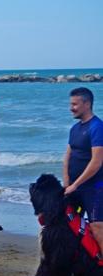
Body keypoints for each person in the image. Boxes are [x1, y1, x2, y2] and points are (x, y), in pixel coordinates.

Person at [63, 87, 103, 255]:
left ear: (87, 104)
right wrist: (67, 183)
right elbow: (68, 156)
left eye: (75, 104)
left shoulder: (97, 127)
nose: (71, 108)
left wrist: (77, 184)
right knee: (69, 224)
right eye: (71, 104)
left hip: (94, 188)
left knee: (96, 226)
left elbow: (97, 161)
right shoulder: (75, 128)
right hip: (73, 187)